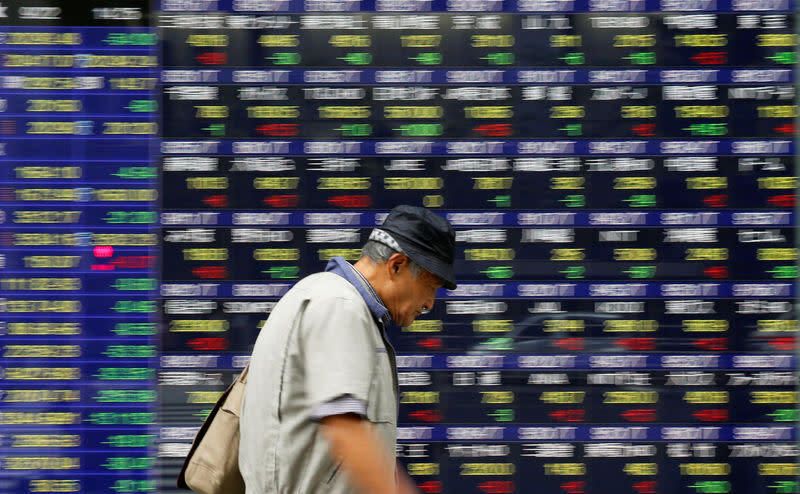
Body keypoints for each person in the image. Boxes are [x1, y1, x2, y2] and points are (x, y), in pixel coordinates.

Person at [239, 205, 457, 494]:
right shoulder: (340, 306)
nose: (430, 303)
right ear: (396, 265)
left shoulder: (324, 296)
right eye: (431, 287)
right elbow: (345, 427)